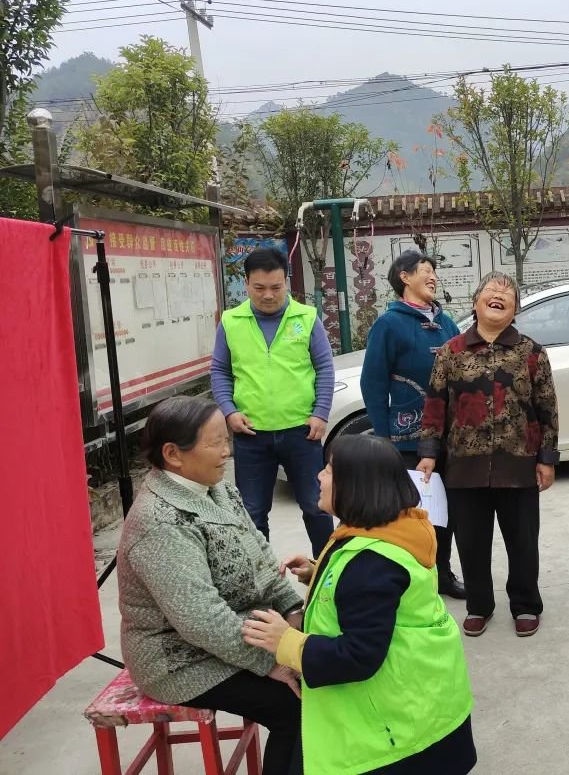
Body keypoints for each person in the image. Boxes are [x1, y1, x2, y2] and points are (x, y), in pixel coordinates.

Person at [241, 434, 476, 775]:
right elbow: (370, 595)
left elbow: (358, 656)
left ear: (357, 485)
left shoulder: (370, 565)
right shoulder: (389, 531)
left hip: (393, 732)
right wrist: (317, 572)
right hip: (425, 703)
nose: (319, 477)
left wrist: (285, 642)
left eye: (329, 470)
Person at [117, 396, 304, 775]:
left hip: (229, 635)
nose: (226, 452)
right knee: (296, 707)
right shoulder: (160, 522)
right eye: (215, 442)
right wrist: (271, 660)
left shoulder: (215, 487)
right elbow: (200, 618)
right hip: (177, 660)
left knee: (320, 670)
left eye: (227, 440)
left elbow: (261, 556)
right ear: (173, 454)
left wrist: (293, 610)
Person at [417, 272, 559, 639]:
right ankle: (479, 605)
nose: (499, 294)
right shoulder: (451, 352)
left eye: (507, 292)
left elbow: (547, 409)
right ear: (476, 302)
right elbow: (434, 405)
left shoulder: (531, 352)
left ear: (515, 309)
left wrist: (547, 458)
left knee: (523, 542)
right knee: (472, 543)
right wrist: (429, 453)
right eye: (491, 290)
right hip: (464, 467)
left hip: (519, 463)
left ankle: (526, 604)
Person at [211, 247, 334, 557]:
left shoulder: (306, 318)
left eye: (276, 287)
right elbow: (220, 372)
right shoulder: (231, 321)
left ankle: (326, 573)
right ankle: (263, 580)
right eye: (259, 288)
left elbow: (324, 368)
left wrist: (320, 413)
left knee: (316, 507)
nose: (268, 295)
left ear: (287, 282)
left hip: (302, 432)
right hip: (251, 434)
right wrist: (229, 412)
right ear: (247, 284)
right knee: (252, 513)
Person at [361, 250, 465, 600]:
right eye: (425, 270)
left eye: (434, 270)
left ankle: (443, 573)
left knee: (446, 512)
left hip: (450, 437)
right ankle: (414, 578)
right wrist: (384, 437)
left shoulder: (446, 323)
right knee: (416, 514)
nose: (433, 276)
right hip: (408, 439)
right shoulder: (388, 324)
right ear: (404, 277)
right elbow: (372, 383)